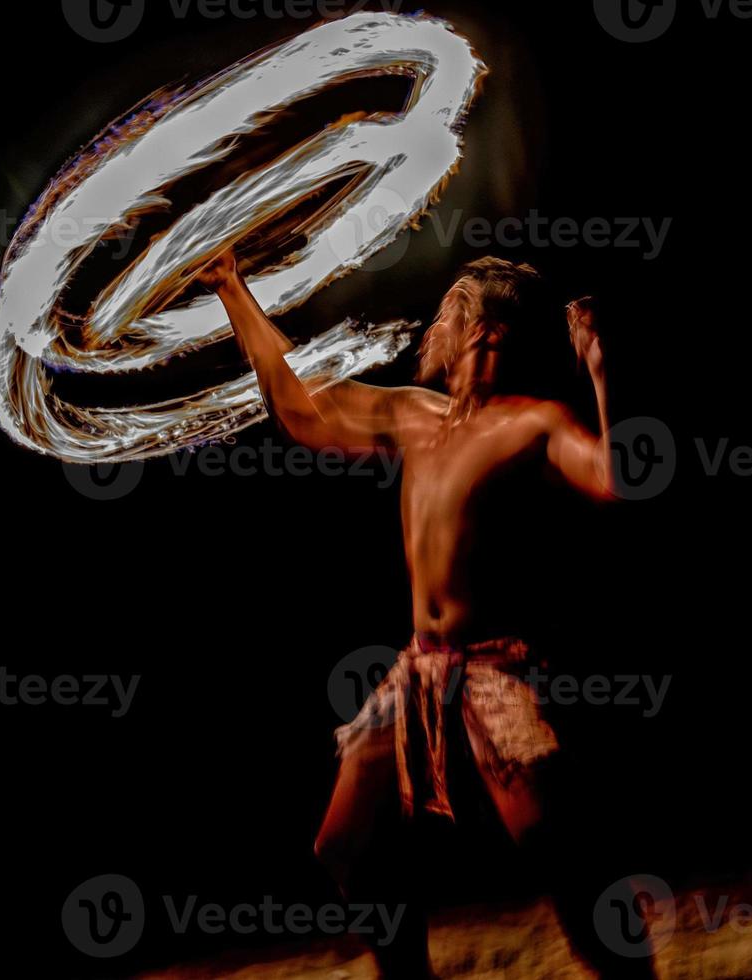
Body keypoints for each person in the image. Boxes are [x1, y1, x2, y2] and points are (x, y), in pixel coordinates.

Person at [196, 248, 656, 979]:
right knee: (344, 844)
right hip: (417, 669)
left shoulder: (533, 424)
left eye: (476, 321)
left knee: (556, 847)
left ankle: (630, 974)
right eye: (458, 318)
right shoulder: (413, 417)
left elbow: (619, 480)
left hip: (497, 669)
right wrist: (230, 288)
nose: (460, 334)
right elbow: (299, 407)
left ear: (501, 337)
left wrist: (603, 370)